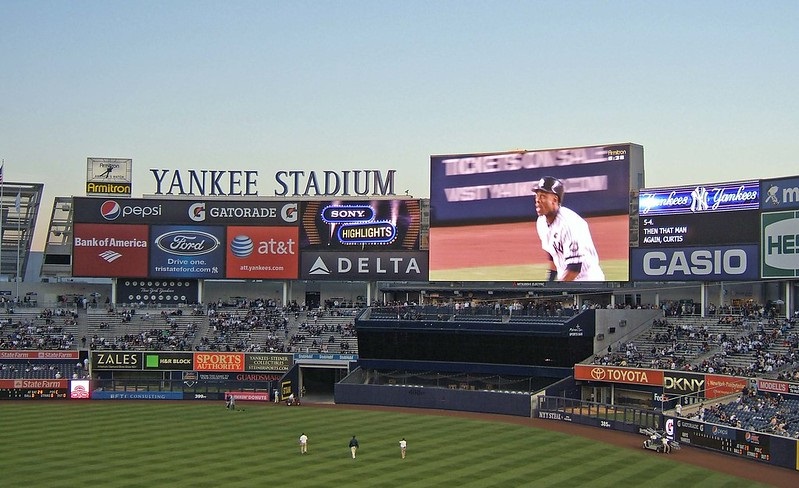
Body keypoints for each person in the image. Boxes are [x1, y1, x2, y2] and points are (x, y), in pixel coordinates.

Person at [533, 176, 605, 281]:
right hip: (567, 280)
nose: (538, 200)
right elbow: (553, 255)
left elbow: (574, 268)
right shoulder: (541, 222)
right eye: (537, 195)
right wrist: (549, 283)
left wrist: (557, 291)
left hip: (588, 282)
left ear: (554, 200)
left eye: (543, 196)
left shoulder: (569, 225)